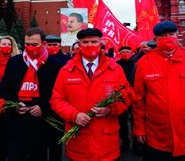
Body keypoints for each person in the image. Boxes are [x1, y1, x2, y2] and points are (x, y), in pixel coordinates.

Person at [132, 21, 185, 160]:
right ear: (156, 39)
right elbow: (138, 99)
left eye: (171, 34)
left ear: (178, 36)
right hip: (157, 134)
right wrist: (139, 128)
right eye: (163, 36)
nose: (168, 38)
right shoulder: (144, 62)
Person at [50, 28, 134, 160]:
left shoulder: (115, 69)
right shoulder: (66, 71)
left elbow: (126, 96)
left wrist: (110, 110)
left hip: (107, 143)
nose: (89, 45)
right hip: (79, 144)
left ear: (100, 44)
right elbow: (56, 100)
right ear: (79, 45)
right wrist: (74, 115)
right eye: (85, 42)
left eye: (94, 42)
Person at [0, 28, 64, 161]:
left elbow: (60, 94)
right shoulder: (14, 62)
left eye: (34, 44)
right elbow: (4, 88)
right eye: (27, 44)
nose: (30, 48)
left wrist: (43, 107)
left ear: (43, 44)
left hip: (45, 123)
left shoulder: (56, 65)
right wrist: (15, 103)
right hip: (18, 121)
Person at [115, 46, 136, 152]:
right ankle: (125, 141)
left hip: (134, 95)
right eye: (123, 52)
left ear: (132, 53)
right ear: (119, 54)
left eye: (127, 52)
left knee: (135, 120)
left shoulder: (136, 64)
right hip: (121, 96)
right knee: (122, 121)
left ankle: (136, 143)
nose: (125, 53)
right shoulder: (116, 65)